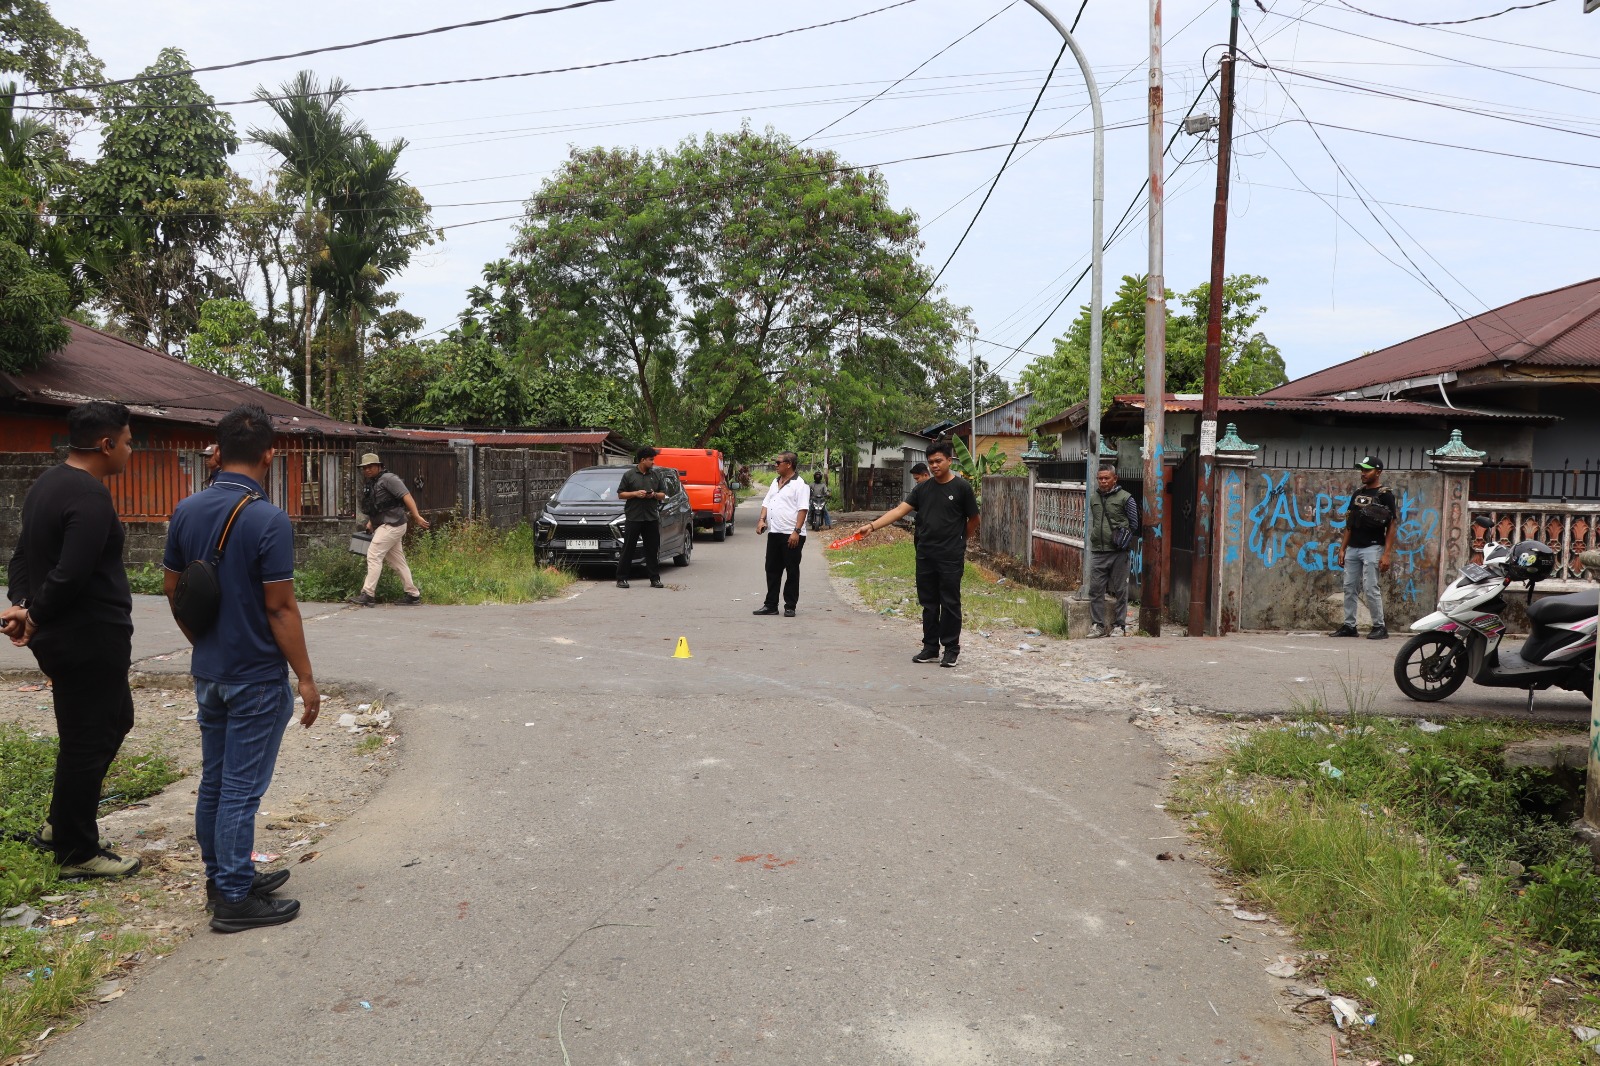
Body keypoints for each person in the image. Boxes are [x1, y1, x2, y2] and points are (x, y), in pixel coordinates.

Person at [163, 404, 321, 933]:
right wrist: (305, 677)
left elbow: (174, 591)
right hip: (255, 678)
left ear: (218, 449)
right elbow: (280, 608)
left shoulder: (185, 511)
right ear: (270, 454)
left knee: (216, 783)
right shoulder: (268, 519)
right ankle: (233, 898)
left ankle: (223, 878)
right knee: (240, 791)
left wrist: (203, 641)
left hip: (209, 672)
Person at [2, 401, 141, 879]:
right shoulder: (89, 495)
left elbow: (20, 557)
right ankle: (75, 851)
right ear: (105, 444)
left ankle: (61, 825)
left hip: (65, 635)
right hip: (88, 637)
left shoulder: (47, 484)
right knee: (88, 737)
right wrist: (34, 613)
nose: (129, 449)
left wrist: (23, 605)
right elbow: (72, 572)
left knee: (114, 720)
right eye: (126, 441)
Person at [855, 440, 980, 666]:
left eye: (938, 461)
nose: (934, 466)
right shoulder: (922, 489)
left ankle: (951, 649)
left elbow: (974, 519)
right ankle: (930, 647)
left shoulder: (961, 488)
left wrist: (960, 541)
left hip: (950, 556)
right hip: (925, 554)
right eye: (931, 462)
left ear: (949, 461)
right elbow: (899, 511)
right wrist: (872, 527)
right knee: (929, 603)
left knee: (950, 602)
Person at [1330, 455, 1397, 640]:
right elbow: (1349, 523)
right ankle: (1349, 626)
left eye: (1367, 470)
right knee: (1349, 587)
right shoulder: (1358, 493)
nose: (1363, 473)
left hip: (1373, 548)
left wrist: (1387, 554)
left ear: (1378, 472)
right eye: (1362, 470)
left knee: (1370, 588)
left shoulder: (1385, 495)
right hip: (1353, 548)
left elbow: (1392, 525)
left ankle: (1379, 626)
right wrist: (1343, 548)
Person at [350, 452, 429, 607]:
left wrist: (417, 516)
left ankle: (368, 594)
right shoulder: (373, 482)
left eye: (370, 466)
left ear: (379, 466)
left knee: (373, 555)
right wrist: (371, 523)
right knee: (397, 562)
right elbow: (378, 506)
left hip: (393, 524)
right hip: (386, 524)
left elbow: (407, 496)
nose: (367, 470)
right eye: (364, 467)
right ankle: (413, 595)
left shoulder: (389, 479)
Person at [753, 452, 809, 617]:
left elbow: (803, 509)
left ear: (789, 463)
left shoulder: (800, 485)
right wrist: (762, 520)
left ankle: (790, 605)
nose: (775, 465)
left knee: (791, 570)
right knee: (772, 569)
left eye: (778, 462)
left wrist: (796, 532)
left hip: (791, 534)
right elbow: (767, 502)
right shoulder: (774, 482)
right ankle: (770, 605)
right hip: (775, 533)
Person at [1087, 466, 1139, 638]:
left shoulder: (1126, 498)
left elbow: (1134, 523)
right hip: (1098, 551)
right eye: (1100, 478)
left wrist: (1123, 537)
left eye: (1106, 478)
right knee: (1095, 590)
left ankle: (1120, 625)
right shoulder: (1093, 497)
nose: (1103, 481)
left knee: (1120, 590)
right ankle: (1098, 626)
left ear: (1114, 478)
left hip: (1118, 552)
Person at [616, 446, 667, 589]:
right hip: (634, 517)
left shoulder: (656, 475)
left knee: (652, 549)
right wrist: (635, 494)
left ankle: (654, 579)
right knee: (628, 548)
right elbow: (620, 494)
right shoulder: (629, 475)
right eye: (651, 460)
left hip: (651, 518)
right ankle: (622, 578)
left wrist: (654, 495)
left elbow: (663, 494)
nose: (653, 463)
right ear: (643, 460)